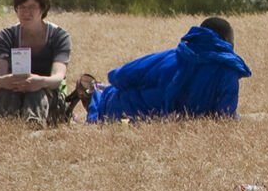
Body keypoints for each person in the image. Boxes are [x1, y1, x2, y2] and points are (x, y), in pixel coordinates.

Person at [86, 17, 251, 121]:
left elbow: (121, 76)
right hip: (168, 120)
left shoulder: (174, 57)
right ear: (228, 41)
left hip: (127, 110)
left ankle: (96, 92)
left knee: (111, 93)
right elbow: (225, 115)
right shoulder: (229, 72)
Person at [0, 0, 79, 125]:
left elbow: (58, 78)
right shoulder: (6, 36)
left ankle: (34, 126)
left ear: (43, 9)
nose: (26, 12)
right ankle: (8, 126)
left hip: (47, 93)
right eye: (22, 7)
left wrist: (39, 81)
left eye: (32, 7)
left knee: (36, 93)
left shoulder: (59, 36)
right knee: (7, 93)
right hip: (15, 90)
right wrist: (10, 80)